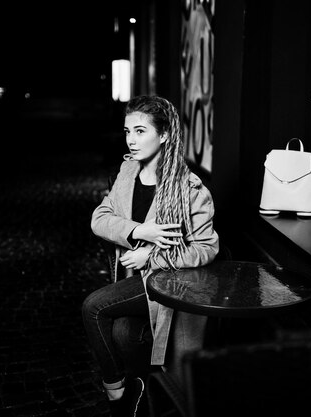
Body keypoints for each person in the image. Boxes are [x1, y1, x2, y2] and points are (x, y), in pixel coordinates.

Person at [81, 95, 219, 416]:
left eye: (141, 131)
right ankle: (139, 393)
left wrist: (151, 257)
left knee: (93, 307)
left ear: (165, 134)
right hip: (136, 283)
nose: (131, 139)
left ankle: (118, 399)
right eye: (128, 131)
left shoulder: (189, 188)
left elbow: (206, 248)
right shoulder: (128, 172)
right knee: (123, 332)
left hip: (169, 286)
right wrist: (139, 231)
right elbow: (100, 219)